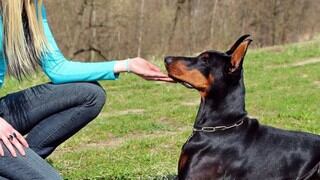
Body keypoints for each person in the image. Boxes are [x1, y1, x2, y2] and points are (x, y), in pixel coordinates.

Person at [0, 0, 173, 179]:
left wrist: (127, 65)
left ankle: (19, 163)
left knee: (90, 95)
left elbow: (58, 69)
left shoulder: (32, 7)